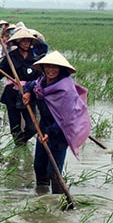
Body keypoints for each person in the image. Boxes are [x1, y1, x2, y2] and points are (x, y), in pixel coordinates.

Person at [22, 51, 91, 193]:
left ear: (61, 69)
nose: (50, 70)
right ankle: (42, 196)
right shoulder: (41, 83)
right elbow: (30, 84)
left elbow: (67, 119)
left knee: (54, 171)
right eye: (48, 66)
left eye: (55, 67)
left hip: (60, 132)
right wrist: (28, 91)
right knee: (39, 166)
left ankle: (57, 201)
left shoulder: (66, 89)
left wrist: (49, 132)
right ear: (43, 67)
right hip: (43, 128)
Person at [0, 28, 43, 145]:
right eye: (23, 41)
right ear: (18, 42)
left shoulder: (35, 59)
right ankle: (18, 146)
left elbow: (39, 78)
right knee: (15, 125)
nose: (26, 44)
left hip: (29, 94)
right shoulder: (10, 57)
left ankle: (22, 141)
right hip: (12, 93)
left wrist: (30, 89)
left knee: (32, 127)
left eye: (28, 41)